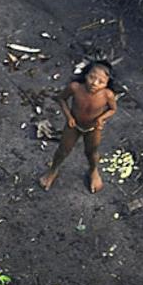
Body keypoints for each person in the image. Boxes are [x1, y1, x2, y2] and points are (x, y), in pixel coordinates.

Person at [39, 60, 117, 193]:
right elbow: (61, 99)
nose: (94, 83)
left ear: (107, 84)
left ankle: (93, 170)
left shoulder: (107, 95)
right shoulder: (75, 87)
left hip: (93, 128)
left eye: (101, 82)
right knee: (63, 150)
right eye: (92, 77)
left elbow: (112, 109)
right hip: (74, 125)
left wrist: (101, 118)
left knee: (92, 152)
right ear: (85, 74)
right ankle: (53, 170)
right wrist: (69, 116)